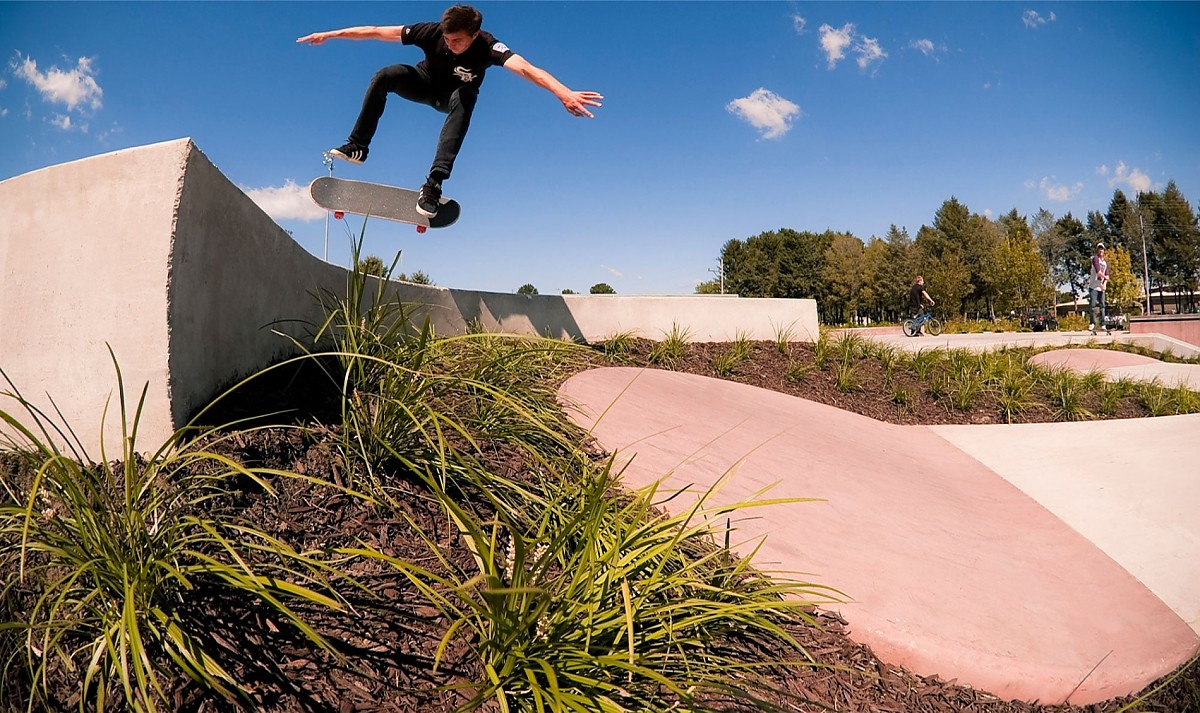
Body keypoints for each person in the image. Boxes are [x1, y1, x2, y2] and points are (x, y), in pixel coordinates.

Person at [297, 5, 603, 218]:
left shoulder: (489, 46)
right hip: (423, 83)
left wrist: (562, 92)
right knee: (385, 75)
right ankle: (358, 146)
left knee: (467, 95)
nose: (450, 43)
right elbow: (377, 31)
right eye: (447, 38)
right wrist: (332, 33)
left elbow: (525, 68)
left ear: (474, 34)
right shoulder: (430, 32)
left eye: (457, 40)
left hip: (452, 99)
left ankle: (433, 184)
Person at [1089, 243, 1111, 335]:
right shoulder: (1095, 259)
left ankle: (1103, 324)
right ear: (1097, 250)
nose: (1101, 250)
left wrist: (1104, 284)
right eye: (1099, 249)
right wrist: (1105, 278)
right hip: (1094, 286)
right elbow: (1098, 272)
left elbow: (1107, 275)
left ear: (1104, 250)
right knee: (1093, 306)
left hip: (1101, 287)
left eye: (1102, 249)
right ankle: (1092, 323)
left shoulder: (1105, 262)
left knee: (1102, 306)